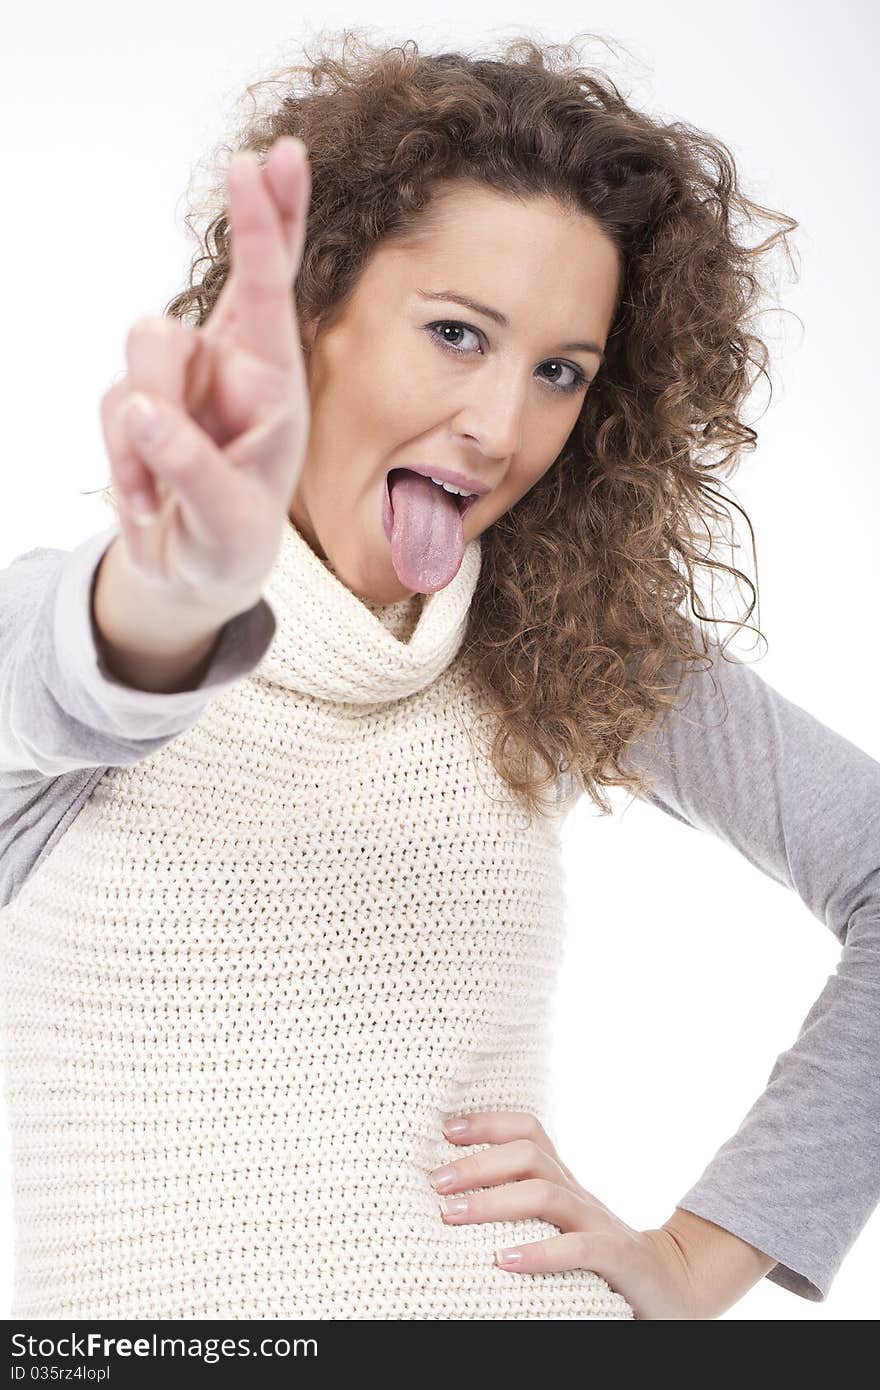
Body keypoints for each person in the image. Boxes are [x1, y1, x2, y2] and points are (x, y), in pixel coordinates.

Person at [0, 31, 877, 1321]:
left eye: (559, 372)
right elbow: (87, 669)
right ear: (315, 312)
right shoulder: (73, 629)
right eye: (457, 333)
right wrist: (182, 593)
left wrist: (704, 1258)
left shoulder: (568, 649)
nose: (501, 426)